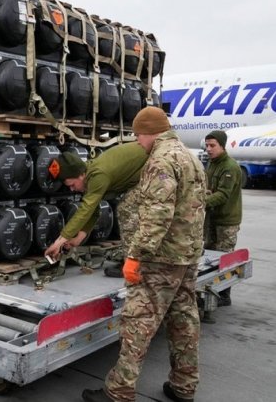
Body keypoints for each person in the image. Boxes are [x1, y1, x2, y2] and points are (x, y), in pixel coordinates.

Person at [82, 106, 206, 402]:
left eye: (138, 135)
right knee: (184, 320)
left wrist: (135, 255)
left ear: (150, 132)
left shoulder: (161, 160)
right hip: (187, 255)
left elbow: (157, 213)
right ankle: (183, 386)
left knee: (138, 322)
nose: (138, 142)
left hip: (160, 259)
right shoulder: (191, 156)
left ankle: (119, 391)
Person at [43, 142, 148, 278]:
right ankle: (135, 260)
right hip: (143, 174)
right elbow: (93, 210)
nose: (72, 189)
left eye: (72, 184)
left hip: (155, 168)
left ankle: (134, 264)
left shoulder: (98, 175)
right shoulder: (90, 175)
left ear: (80, 175)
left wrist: (59, 242)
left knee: (127, 210)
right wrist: (77, 239)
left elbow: (86, 210)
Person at [203, 130, 242, 311]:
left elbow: (223, 195)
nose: (209, 149)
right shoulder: (212, 164)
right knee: (211, 257)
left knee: (225, 258)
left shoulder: (229, 167)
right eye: (207, 145)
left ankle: (224, 295)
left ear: (222, 145)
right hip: (212, 218)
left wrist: (200, 201)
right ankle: (212, 292)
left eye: (213, 145)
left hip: (226, 221)